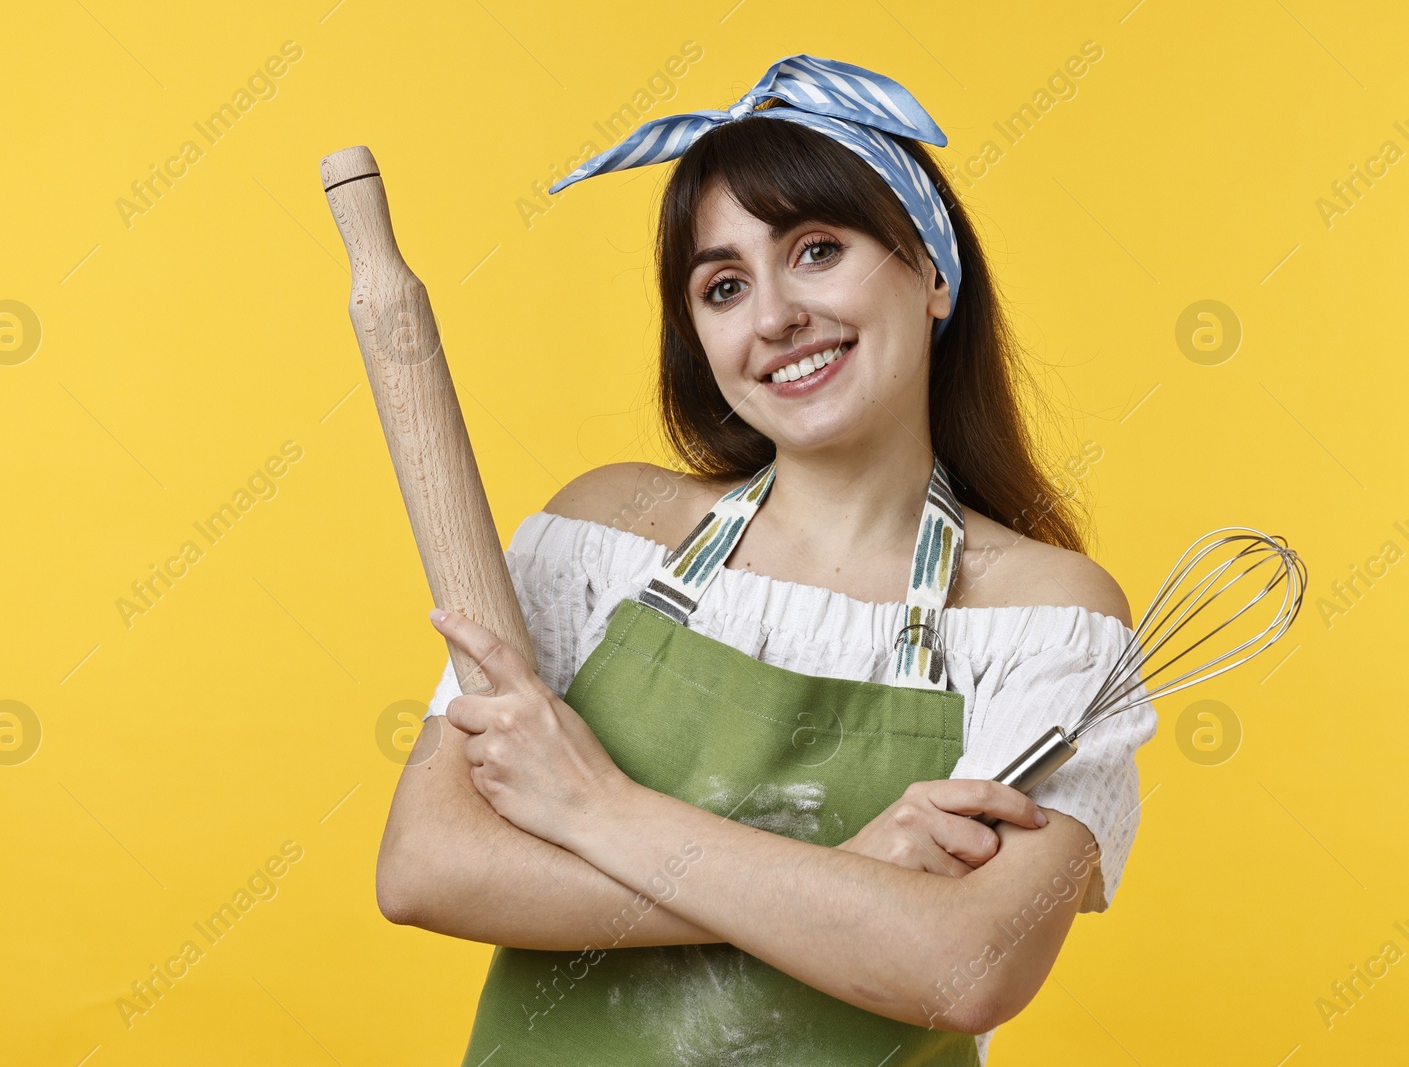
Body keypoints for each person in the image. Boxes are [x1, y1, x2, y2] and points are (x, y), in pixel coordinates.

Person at [379, 55, 1156, 1066]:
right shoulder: (604, 534)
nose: (774, 316)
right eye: (724, 284)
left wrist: (594, 808)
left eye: (818, 249)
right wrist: (843, 878)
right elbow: (430, 865)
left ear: (930, 269)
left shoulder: (1044, 616)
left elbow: (968, 964)